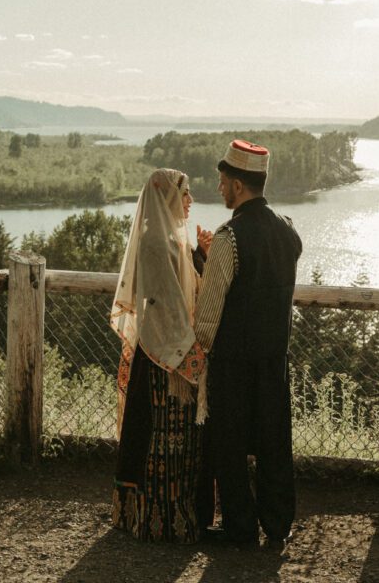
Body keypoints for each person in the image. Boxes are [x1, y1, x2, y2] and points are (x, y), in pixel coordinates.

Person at [194, 139, 302, 550]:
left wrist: (202, 347)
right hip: (274, 358)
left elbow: (209, 313)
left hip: (234, 361)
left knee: (230, 444)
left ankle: (240, 528)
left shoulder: (228, 238)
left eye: (223, 182)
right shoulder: (288, 231)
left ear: (238, 185)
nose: (219, 188)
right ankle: (278, 523)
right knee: (275, 442)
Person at [109, 168, 208, 543]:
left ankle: (174, 515)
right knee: (155, 435)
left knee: (171, 437)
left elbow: (187, 290)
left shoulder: (171, 240)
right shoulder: (154, 242)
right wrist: (190, 354)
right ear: (167, 198)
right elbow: (165, 303)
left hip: (171, 350)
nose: (190, 200)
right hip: (161, 355)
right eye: (184, 193)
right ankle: (158, 518)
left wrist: (201, 256)